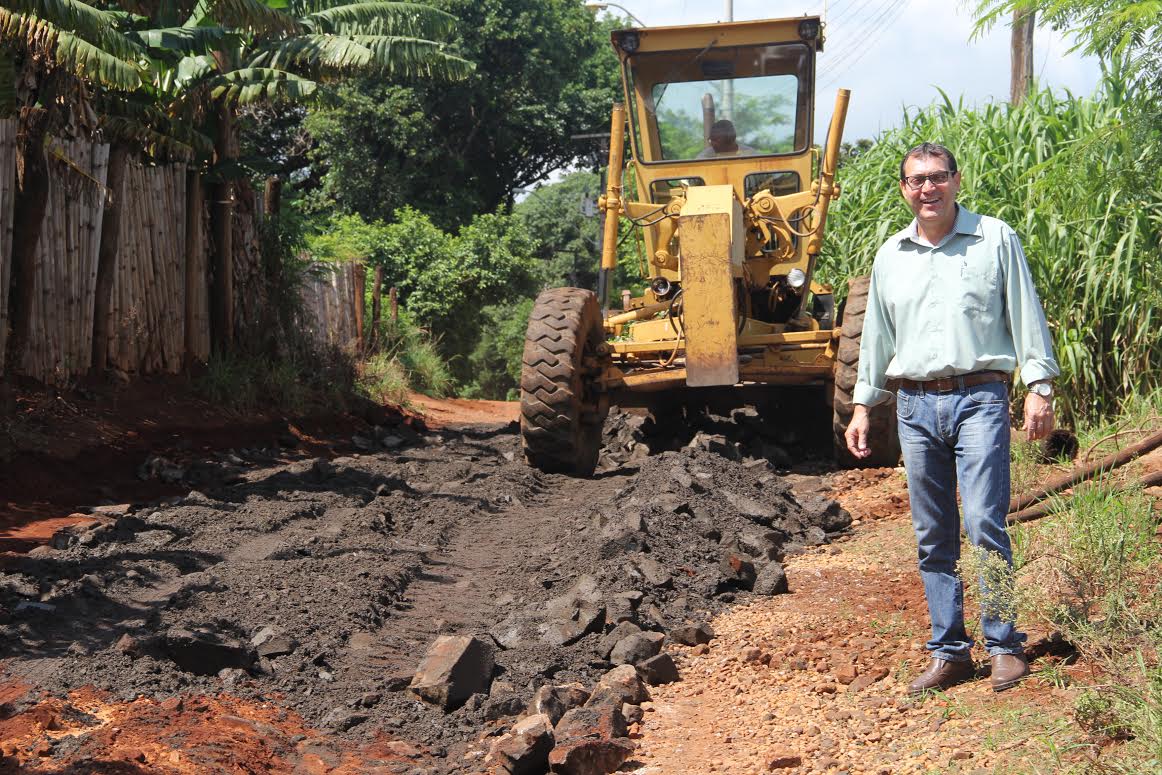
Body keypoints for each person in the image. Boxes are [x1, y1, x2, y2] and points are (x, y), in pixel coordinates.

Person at [844, 142, 1059, 695]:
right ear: (903, 189)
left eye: (937, 177)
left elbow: (1025, 313)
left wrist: (1039, 387)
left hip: (980, 397)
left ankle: (1006, 645)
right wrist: (864, 405)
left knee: (986, 522)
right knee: (932, 533)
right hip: (914, 407)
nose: (927, 189)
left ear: (956, 181)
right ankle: (950, 651)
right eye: (916, 181)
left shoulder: (994, 239)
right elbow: (876, 337)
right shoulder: (891, 254)